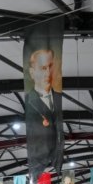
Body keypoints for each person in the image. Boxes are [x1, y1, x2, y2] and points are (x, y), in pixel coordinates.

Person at [25, 48, 64, 176]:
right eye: (43, 68)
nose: (48, 73)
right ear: (32, 72)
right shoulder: (29, 102)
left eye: (50, 67)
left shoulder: (59, 97)